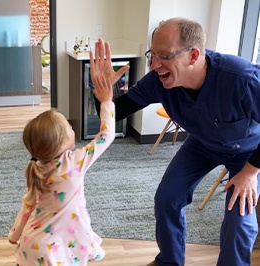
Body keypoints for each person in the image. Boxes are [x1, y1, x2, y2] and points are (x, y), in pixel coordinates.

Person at [90, 17, 260, 266]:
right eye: (152, 55)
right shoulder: (159, 82)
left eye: (164, 56)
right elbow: (114, 114)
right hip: (202, 144)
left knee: (239, 219)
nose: (154, 65)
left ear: (193, 56)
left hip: (248, 152)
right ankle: (169, 261)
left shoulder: (241, 79)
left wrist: (249, 173)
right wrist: (102, 92)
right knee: (167, 197)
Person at [8, 73, 115, 265]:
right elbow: (106, 136)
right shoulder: (75, 161)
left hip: (31, 246)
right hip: (58, 251)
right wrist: (106, 102)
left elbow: (26, 209)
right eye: (68, 126)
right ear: (61, 143)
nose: (72, 128)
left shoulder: (36, 170)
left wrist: (14, 235)